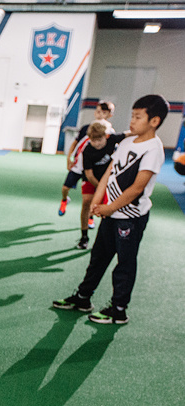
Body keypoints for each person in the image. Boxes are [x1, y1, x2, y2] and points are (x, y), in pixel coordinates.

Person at [51, 95, 168, 325]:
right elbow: (108, 173)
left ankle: (118, 309)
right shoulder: (126, 143)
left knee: (124, 263)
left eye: (138, 117)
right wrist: (97, 201)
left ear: (154, 121)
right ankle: (83, 297)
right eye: (132, 116)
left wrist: (109, 207)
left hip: (130, 218)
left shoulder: (153, 149)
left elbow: (137, 188)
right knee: (98, 258)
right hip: (110, 214)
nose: (131, 121)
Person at [75, 122, 129, 249]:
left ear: (106, 136)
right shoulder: (87, 151)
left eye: (99, 140)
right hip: (92, 179)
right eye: (93, 140)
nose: (97, 143)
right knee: (87, 202)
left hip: (108, 179)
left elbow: (128, 134)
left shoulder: (112, 139)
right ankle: (84, 236)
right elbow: (89, 175)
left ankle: (105, 239)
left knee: (107, 208)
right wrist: (101, 188)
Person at [59, 101, 114, 220]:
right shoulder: (86, 129)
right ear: (95, 113)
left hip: (92, 169)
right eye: (98, 111)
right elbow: (75, 143)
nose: (100, 115)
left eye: (104, 112)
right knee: (65, 188)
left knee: (89, 198)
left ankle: (90, 218)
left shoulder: (110, 132)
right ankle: (64, 200)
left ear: (109, 115)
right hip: (78, 166)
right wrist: (69, 158)